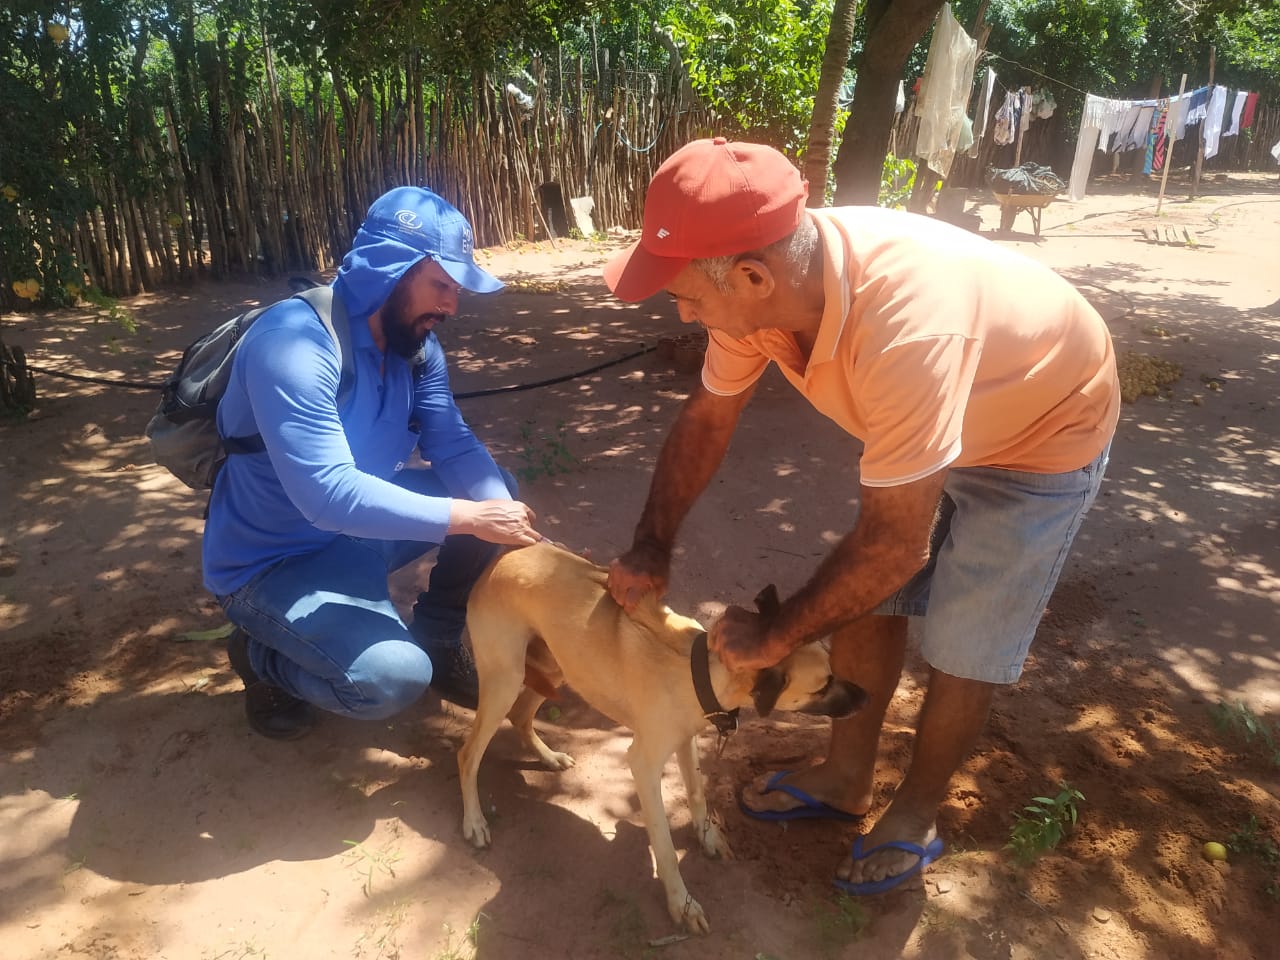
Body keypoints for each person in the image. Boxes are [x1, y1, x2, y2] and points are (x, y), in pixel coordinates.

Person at [603, 138, 1118, 895]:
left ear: (751, 277)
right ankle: (846, 776)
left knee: (965, 637)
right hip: (941, 414)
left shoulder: (909, 326)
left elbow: (893, 545)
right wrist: (652, 544)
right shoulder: (764, 293)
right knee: (864, 606)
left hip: (1040, 433)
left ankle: (914, 812)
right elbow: (710, 417)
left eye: (687, 296)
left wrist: (775, 636)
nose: (681, 313)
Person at [204, 186, 544, 741]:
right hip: (271, 563)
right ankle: (257, 656)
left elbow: (453, 445)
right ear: (389, 270)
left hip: (356, 534)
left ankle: (437, 630)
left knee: (494, 491)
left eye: (457, 289)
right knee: (390, 680)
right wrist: (473, 518)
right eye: (441, 285)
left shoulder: (417, 349)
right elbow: (327, 494)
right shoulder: (291, 343)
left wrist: (508, 521)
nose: (453, 306)